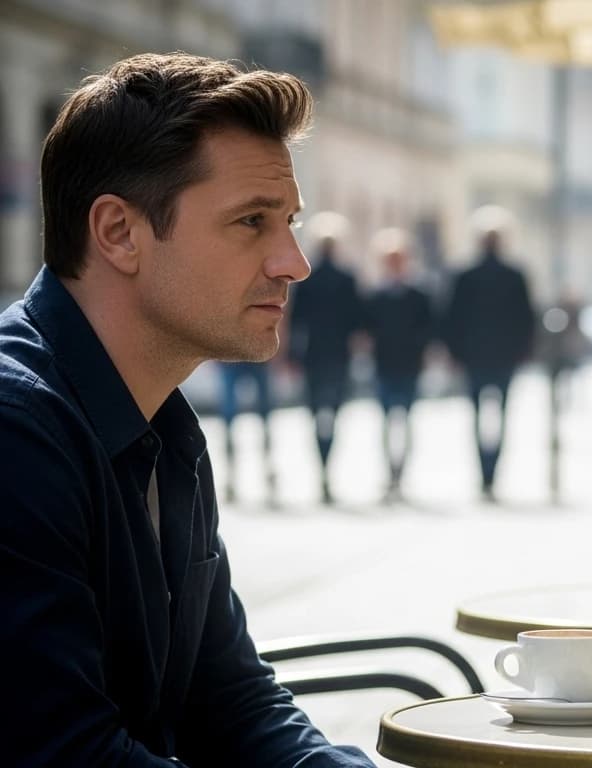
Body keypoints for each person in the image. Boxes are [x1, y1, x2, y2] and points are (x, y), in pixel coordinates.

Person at [0, 53, 372, 765]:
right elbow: (65, 754)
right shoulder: (16, 432)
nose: (293, 261)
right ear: (118, 233)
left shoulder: (164, 428)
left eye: (289, 221)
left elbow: (231, 697)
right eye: (252, 222)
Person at [442, 205, 536, 501]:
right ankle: (489, 474)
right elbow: (526, 319)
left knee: (482, 417)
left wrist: (455, 354)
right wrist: (523, 352)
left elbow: (452, 318)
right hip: (497, 357)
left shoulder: (467, 275)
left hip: (480, 357)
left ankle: (487, 475)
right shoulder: (511, 274)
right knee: (497, 417)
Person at [287, 211, 362, 504]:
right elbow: (357, 321)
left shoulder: (309, 277)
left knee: (317, 413)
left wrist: (292, 354)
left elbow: (298, 319)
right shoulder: (347, 277)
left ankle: (323, 466)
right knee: (332, 412)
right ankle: (326, 464)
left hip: (315, 354)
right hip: (337, 355)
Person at [364, 228, 433, 503]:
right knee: (385, 421)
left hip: (410, 364)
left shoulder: (419, 294)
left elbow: (428, 327)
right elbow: (367, 329)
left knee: (406, 420)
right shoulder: (376, 295)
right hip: (383, 364)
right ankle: (389, 473)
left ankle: (402, 473)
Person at [218, 360, 276, 503]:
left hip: (251, 356)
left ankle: (268, 469)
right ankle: (230, 476)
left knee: (264, 417)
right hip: (232, 356)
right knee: (229, 420)